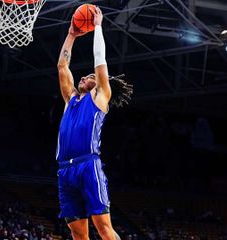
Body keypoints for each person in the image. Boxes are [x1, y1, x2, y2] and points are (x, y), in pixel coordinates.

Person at [56, 7, 132, 240]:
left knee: (104, 228)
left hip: (88, 165)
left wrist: (98, 27)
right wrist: (71, 35)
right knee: (78, 233)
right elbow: (62, 67)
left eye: (89, 76)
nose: (83, 77)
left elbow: (100, 61)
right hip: (65, 170)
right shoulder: (70, 100)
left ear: (97, 83)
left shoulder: (100, 97)